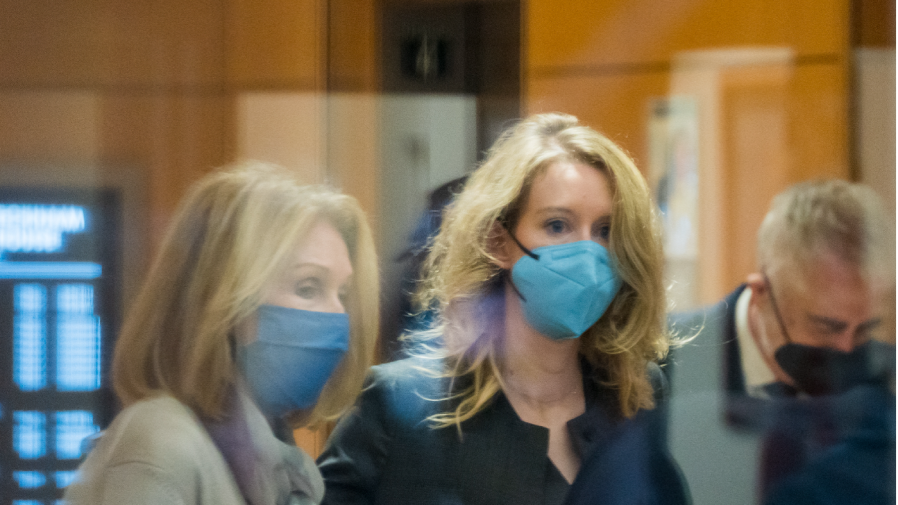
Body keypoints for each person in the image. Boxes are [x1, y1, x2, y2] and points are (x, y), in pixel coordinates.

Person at [317, 113, 687, 505]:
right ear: (499, 242)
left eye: (605, 231)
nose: (587, 251)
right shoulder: (399, 404)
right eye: (558, 226)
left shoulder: (638, 395)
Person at [64, 162, 380, 505]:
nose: (338, 313)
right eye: (308, 287)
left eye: (343, 294)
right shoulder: (161, 446)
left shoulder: (286, 469)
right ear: (225, 301)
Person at [667, 179, 897, 505]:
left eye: (865, 328)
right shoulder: (662, 371)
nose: (847, 349)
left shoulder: (884, 378)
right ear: (761, 294)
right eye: (826, 327)